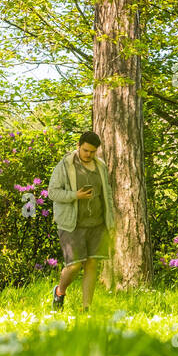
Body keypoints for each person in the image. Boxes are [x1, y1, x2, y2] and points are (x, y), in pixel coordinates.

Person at [48, 131, 115, 312]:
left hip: (97, 223)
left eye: (93, 152)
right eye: (85, 150)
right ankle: (60, 291)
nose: (88, 155)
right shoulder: (65, 165)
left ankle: (87, 308)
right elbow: (52, 192)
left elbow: (107, 194)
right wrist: (74, 195)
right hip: (72, 224)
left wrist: (111, 221)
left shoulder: (100, 166)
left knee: (92, 263)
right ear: (78, 146)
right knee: (75, 265)